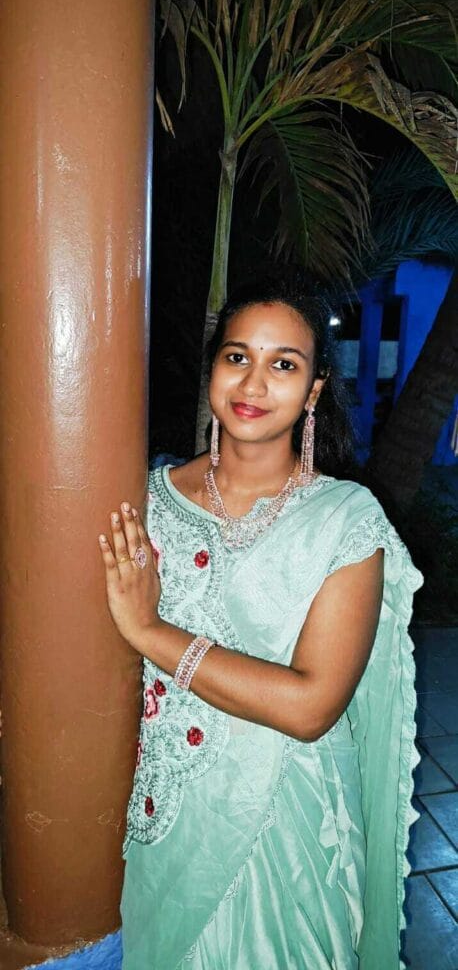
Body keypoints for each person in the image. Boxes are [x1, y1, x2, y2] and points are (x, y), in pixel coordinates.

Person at [98, 269, 422, 970]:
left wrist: (152, 632)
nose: (253, 383)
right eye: (238, 356)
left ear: (314, 391)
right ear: (213, 368)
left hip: (284, 832)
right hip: (165, 821)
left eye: (284, 364)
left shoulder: (345, 520)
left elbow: (311, 707)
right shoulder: (146, 499)